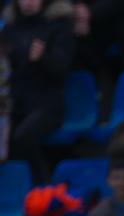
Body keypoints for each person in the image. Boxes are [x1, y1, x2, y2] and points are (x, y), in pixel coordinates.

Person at [0, 0, 75, 182]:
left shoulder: (59, 26)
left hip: (47, 103)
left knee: (23, 136)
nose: (28, 2)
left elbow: (62, 69)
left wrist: (43, 58)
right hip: (16, 102)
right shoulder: (9, 30)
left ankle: (43, 184)